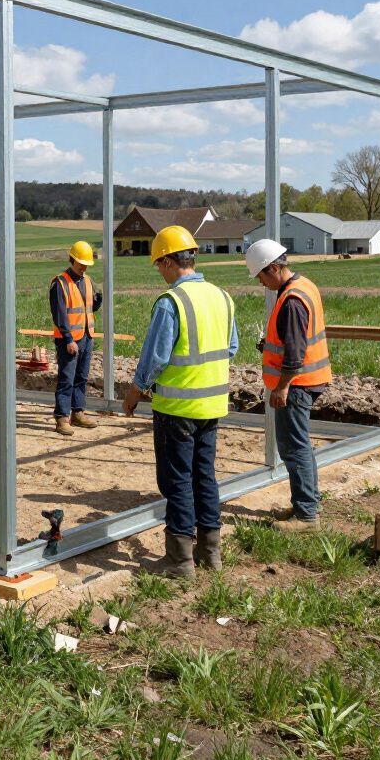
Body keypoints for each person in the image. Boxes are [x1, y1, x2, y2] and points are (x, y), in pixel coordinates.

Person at [123, 225, 238, 577]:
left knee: (177, 481)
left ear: (172, 261)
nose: (159, 271)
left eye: (160, 263)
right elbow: (230, 348)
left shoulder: (171, 302)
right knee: (205, 476)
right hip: (212, 404)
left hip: (177, 408)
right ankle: (211, 553)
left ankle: (179, 560)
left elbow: (155, 358)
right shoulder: (222, 297)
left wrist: (135, 391)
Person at [246, 239, 332, 531]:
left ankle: (307, 515)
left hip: (297, 384)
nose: (260, 282)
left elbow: (295, 354)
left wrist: (281, 388)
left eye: (260, 276)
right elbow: (292, 343)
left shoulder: (292, 300)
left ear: (272, 268)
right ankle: (303, 504)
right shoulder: (303, 286)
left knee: (295, 448)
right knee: (298, 446)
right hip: (308, 379)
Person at [50, 240, 103, 436]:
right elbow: (60, 314)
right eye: (81, 263)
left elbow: (90, 308)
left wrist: (99, 300)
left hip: (87, 336)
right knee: (67, 379)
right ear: (72, 259)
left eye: (86, 263)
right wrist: (68, 339)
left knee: (81, 377)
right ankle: (62, 418)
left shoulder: (88, 281)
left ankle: (78, 412)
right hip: (69, 339)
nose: (84, 266)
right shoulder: (60, 283)